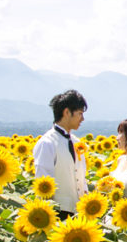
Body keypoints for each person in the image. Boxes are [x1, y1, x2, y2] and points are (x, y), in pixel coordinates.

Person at [33, 90, 89, 219]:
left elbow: (81, 178)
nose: (83, 119)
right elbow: (43, 184)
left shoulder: (77, 142)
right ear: (67, 112)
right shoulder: (47, 143)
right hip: (57, 213)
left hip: (79, 213)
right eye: (80, 113)